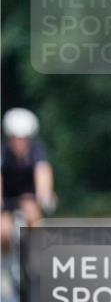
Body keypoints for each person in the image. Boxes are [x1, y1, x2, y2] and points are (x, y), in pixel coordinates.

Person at [1, 108, 56, 252]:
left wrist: (45, 195)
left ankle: (35, 257)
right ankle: (5, 265)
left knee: (34, 219)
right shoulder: (3, 152)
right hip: (7, 199)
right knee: (3, 231)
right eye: (16, 138)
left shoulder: (37, 151)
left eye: (24, 138)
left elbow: (43, 172)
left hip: (29, 196)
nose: (20, 143)